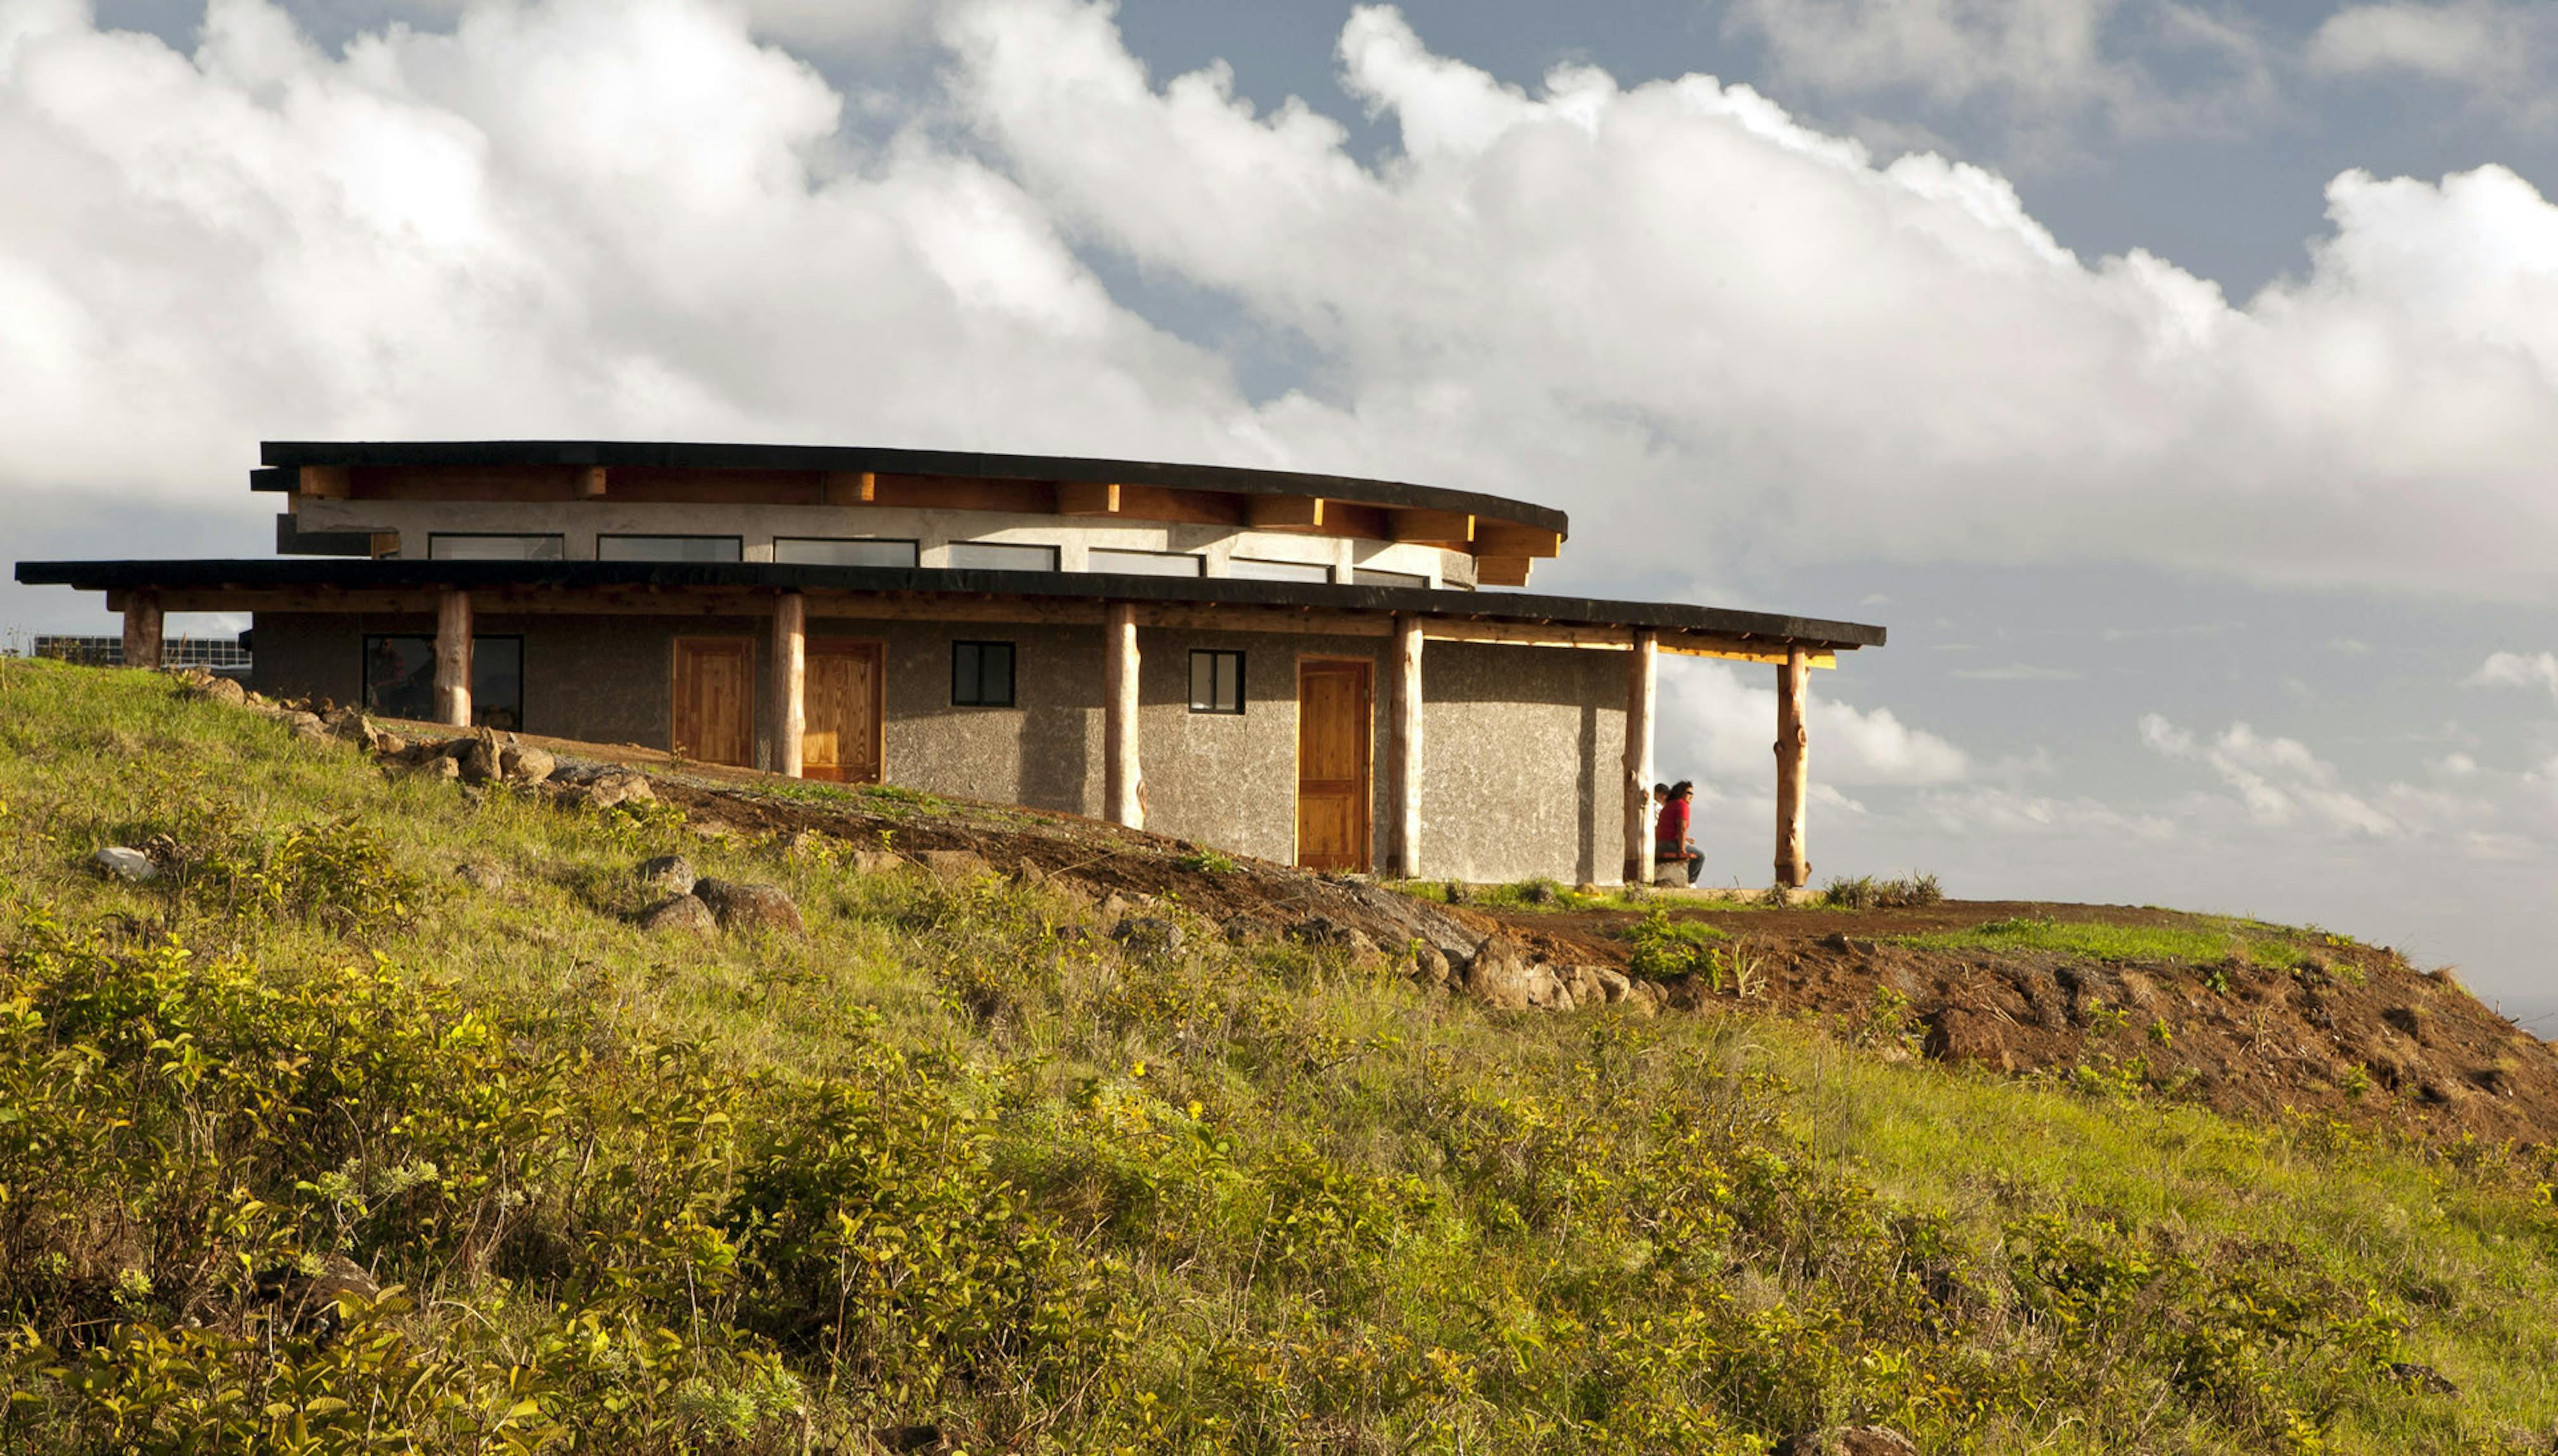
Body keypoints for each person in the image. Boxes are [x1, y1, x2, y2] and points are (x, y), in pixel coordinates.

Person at [1654, 779, 1703, 886]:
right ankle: (1689, 883)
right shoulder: (1682, 805)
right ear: (1681, 793)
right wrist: (1682, 849)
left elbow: (1670, 828)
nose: (1691, 796)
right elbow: (1682, 828)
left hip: (1660, 844)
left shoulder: (1668, 806)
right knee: (1700, 856)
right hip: (1670, 844)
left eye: (1692, 794)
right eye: (1689, 793)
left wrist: (1686, 839)